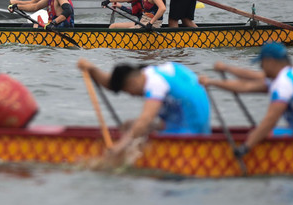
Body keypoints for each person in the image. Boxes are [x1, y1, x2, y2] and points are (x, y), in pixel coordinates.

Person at [199, 42, 293, 156]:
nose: (261, 67)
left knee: (261, 134)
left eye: (262, 63)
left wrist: (245, 148)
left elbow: (270, 121)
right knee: (260, 133)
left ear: (270, 61)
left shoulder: (283, 83)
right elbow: (246, 86)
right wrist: (212, 81)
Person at [77, 58, 211, 153]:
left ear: (132, 83)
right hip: (195, 126)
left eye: (128, 92)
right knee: (133, 127)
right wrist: (92, 69)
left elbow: (146, 119)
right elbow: (113, 84)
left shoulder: (155, 83)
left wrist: (119, 147)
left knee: (136, 132)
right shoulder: (149, 72)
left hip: (189, 135)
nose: (132, 95)